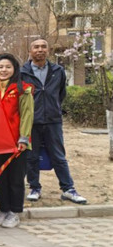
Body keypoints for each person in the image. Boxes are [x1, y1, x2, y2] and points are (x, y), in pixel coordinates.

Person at [21, 38, 87, 204]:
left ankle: (68, 189)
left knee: (59, 156)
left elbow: (60, 94)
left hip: (53, 121)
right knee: (32, 157)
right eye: (36, 47)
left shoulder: (58, 71)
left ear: (48, 50)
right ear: (30, 51)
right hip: (31, 122)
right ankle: (34, 187)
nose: (40, 50)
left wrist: (53, 108)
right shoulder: (22, 73)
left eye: (43, 47)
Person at [0, 54, 34, 228]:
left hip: (16, 143)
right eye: (0, 67)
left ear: (14, 69)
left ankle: (14, 212)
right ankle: (4, 209)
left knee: (16, 178)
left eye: (8, 67)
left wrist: (24, 137)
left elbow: (27, 114)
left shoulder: (23, 89)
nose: (4, 70)